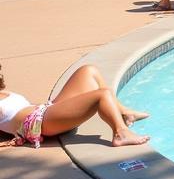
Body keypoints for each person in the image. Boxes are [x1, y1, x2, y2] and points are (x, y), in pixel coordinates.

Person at [0, 62, 148, 149]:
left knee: (88, 70)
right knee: (102, 95)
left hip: (46, 111)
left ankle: (124, 112)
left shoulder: (4, 91)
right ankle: (120, 133)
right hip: (41, 124)